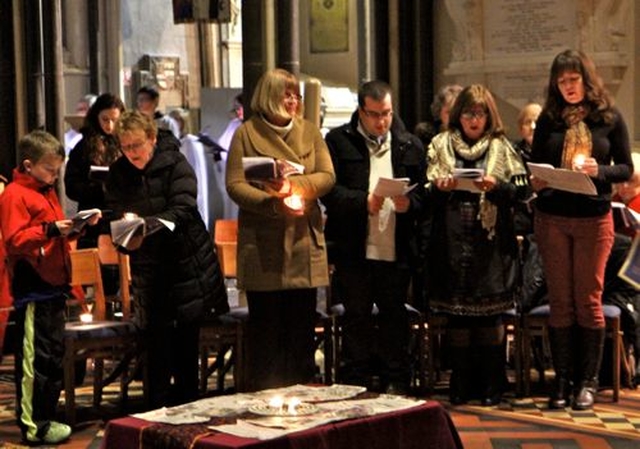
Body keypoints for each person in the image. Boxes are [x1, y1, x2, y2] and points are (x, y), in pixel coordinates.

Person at [530, 49, 633, 410]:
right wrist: (539, 178)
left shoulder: (608, 117)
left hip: (593, 217)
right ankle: (563, 381)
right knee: (560, 301)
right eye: (561, 82)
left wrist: (598, 171)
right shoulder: (549, 119)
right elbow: (539, 162)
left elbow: (624, 168)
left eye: (573, 80)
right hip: (553, 217)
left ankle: (586, 384)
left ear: (586, 80)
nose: (568, 87)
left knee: (588, 300)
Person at [105, 110, 229, 408]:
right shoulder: (119, 173)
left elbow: (183, 208)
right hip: (150, 271)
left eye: (137, 145)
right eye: (125, 147)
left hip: (186, 265)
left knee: (186, 346)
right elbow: (116, 213)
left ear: (152, 138)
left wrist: (148, 225)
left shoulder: (175, 163)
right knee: (156, 348)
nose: (132, 153)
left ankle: (189, 412)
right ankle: (155, 414)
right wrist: (125, 236)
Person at [226, 68, 335, 391]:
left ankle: (302, 392)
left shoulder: (309, 132)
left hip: (302, 239)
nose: (292, 101)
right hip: (263, 241)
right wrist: (271, 202)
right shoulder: (247, 133)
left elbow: (327, 176)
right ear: (268, 97)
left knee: (300, 327)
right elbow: (234, 184)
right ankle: (268, 395)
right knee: (267, 327)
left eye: (296, 95)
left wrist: (293, 186)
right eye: (286, 94)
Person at [321, 80, 426, 394]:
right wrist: (363, 201)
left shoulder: (409, 145)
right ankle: (357, 379)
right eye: (375, 114)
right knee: (357, 316)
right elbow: (329, 192)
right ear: (361, 111)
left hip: (396, 245)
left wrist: (411, 204)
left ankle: (396, 378)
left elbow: (423, 193)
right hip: (354, 245)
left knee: (394, 316)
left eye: (387, 114)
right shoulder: (339, 141)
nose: (382, 121)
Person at [425, 84, 527, 406]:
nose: (473, 119)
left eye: (480, 113)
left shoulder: (502, 147)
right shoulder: (441, 144)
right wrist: (441, 187)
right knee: (459, 317)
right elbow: (424, 193)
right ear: (459, 115)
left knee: (488, 317)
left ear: (488, 116)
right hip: (452, 242)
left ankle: (491, 383)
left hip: (491, 244)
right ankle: (461, 382)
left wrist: (495, 186)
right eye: (468, 112)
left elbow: (521, 192)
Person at [0, 131, 100, 444]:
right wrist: (51, 229)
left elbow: (50, 234)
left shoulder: (46, 191)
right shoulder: (14, 194)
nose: (54, 175)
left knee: (52, 358)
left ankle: (46, 416)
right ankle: (33, 424)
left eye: (57, 170)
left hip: (55, 286)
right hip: (32, 289)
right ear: (29, 165)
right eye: (49, 169)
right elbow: (15, 240)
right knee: (35, 361)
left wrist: (74, 228)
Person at [64, 93, 125, 250]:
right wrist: (97, 188)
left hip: (121, 216)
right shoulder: (83, 147)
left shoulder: (126, 143)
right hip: (93, 220)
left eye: (115, 120)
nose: (110, 126)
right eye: (105, 119)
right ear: (96, 116)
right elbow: (71, 186)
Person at [414, 84, 463, 150]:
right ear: (439, 112)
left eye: (457, 112)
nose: (453, 117)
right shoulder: (426, 136)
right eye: (449, 112)